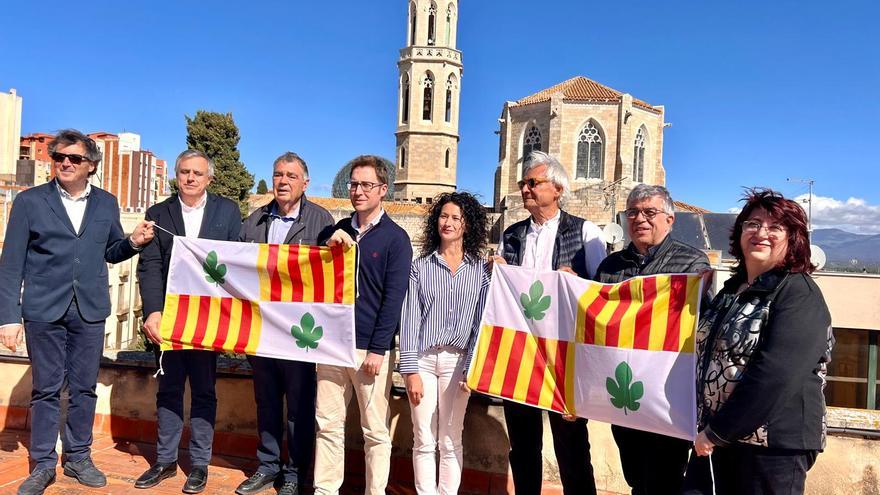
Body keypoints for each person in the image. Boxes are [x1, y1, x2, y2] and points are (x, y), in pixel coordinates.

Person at [0, 129, 154, 495]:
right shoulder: (30, 202)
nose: (65, 163)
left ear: (92, 165)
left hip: (89, 308)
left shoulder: (106, 203)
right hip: (43, 309)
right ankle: (41, 464)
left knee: (84, 388)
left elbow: (111, 251)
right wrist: (8, 316)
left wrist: (133, 242)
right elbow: (10, 264)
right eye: (58, 158)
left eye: (74, 158)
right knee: (46, 389)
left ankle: (79, 457)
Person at [683, 189, 833, 495]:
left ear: (794, 239)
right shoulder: (731, 291)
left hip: (772, 448)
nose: (761, 232)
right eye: (752, 224)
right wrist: (694, 294)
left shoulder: (798, 294)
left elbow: (774, 375)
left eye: (775, 227)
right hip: (717, 440)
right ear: (739, 233)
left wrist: (717, 432)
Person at [493, 150, 604, 495]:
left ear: (557, 188)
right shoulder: (511, 235)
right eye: (523, 183)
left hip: (565, 354)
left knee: (570, 444)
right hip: (520, 351)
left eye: (533, 182)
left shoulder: (587, 232)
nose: (525, 188)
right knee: (523, 445)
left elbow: (602, 292)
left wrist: (579, 282)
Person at [134, 149, 242, 493]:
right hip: (169, 318)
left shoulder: (227, 211)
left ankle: (199, 464)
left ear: (209, 178)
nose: (190, 178)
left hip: (209, 319)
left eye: (197, 173)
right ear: (176, 176)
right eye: (184, 172)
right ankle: (165, 461)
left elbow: (236, 262)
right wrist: (152, 311)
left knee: (204, 390)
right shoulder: (157, 212)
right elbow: (149, 266)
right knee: (168, 389)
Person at [594, 183, 710, 495]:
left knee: (665, 480)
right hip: (624, 395)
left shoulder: (692, 265)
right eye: (632, 212)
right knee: (635, 477)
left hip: (667, 397)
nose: (640, 219)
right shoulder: (609, 267)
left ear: (670, 220)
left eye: (649, 212)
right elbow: (592, 322)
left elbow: (701, 326)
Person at [236, 152, 334, 495]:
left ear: (304, 183)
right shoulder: (254, 221)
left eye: (291, 175)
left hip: (299, 334)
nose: (282, 181)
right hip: (260, 330)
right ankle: (267, 466)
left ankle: (295, 471)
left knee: (299, 405)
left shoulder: (322, 222)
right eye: (278, 174)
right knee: (266, 401)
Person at [313, 155, 412, 495]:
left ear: (383, 190)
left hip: (368, 349)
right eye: (354, 184)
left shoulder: (396, 239)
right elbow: (313, 278)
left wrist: (378, 349)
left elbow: (393, 300)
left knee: (374, 430)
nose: (358, 191)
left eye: (366, 185)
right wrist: (327, 248)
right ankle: (325, 490)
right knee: (327, 424)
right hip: (330, 345)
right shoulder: (333, 232)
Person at [400, 192, 490, 495]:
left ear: (468, 225)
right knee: (423, 437)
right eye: (443, 216)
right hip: (424, 360)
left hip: (459, 363)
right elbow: (410, 318)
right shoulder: (420, 267)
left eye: (455, 218)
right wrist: (410, 370)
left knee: (451, 439)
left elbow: (482, 322)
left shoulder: (481, 271)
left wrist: (471, 368)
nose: (448, 223)